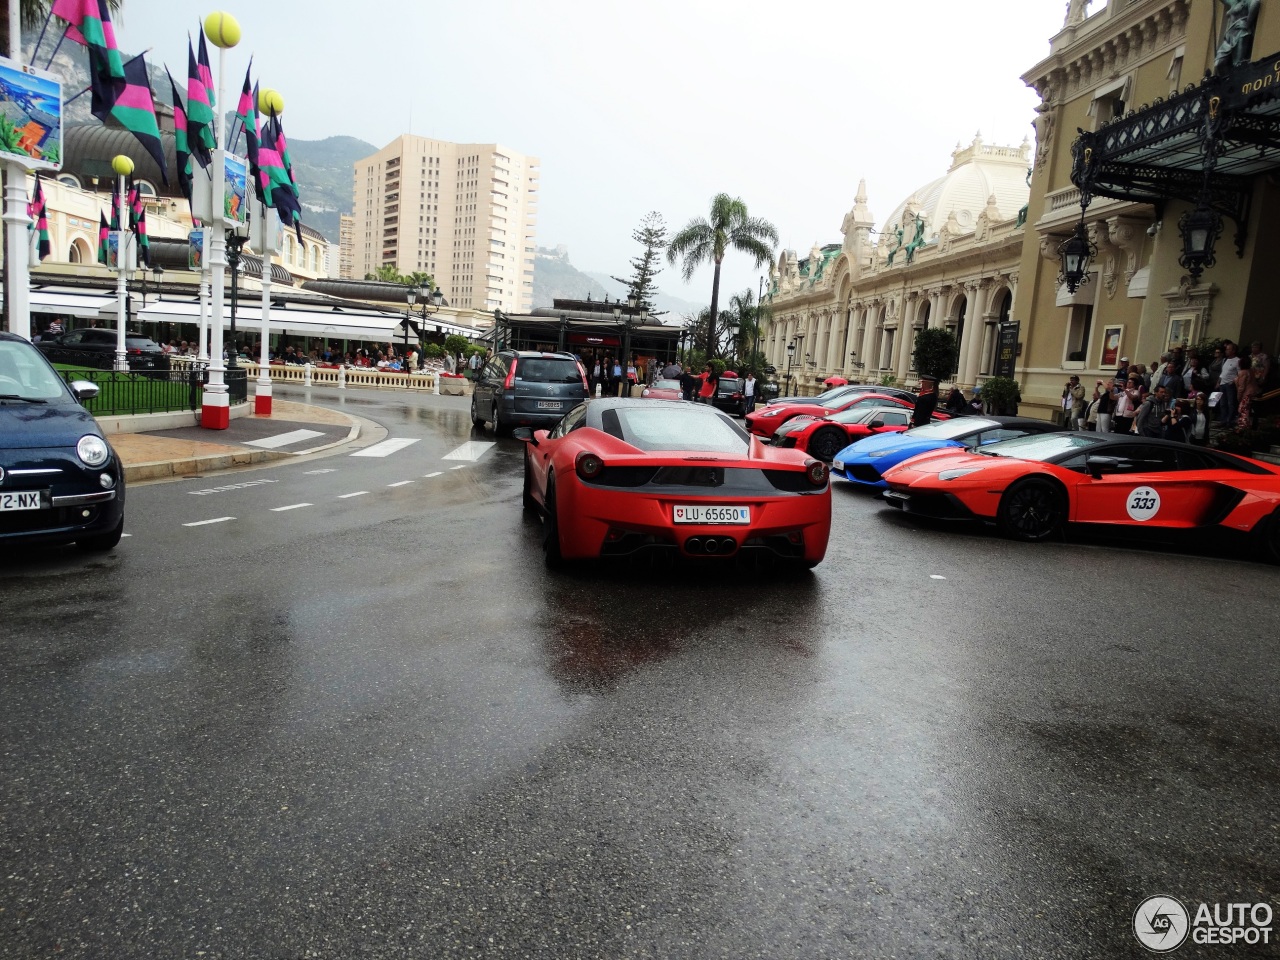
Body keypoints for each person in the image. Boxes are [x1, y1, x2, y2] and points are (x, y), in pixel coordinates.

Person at [1217, 341, 1241, 425]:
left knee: (1230, 403)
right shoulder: (1226, 360)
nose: (1226, 351)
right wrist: (1218, 382)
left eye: (1228, 349)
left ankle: (1229, 420)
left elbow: (1239, 373)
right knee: (1222, 403)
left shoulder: (1237, 360)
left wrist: (1233, 381)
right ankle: (1223, 420)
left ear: (1233, 351)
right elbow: (1223, 372)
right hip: (1222, 384)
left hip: (1230, 384)